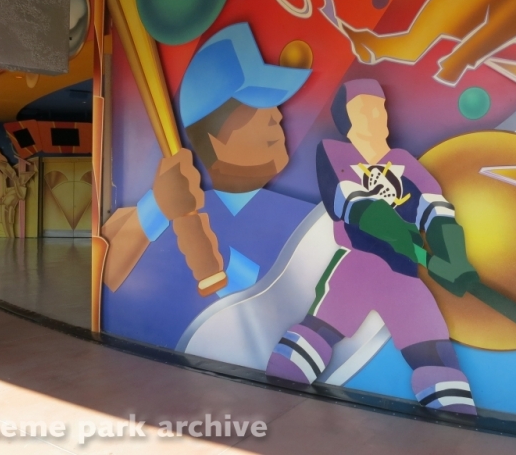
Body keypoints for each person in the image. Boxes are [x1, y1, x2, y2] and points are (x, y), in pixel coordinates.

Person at [266, 78, 480, 415]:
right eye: (363, 109)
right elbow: (353, 202)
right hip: (357, 268)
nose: (376, 115)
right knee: (315, 336)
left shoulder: (405, 162)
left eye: (378, 107)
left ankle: (455, 420)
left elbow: (437, 210)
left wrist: (453, 259)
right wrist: (399, 235)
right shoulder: (336, 153)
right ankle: (271, 399)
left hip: (404, 277)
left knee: (434, 353)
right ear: (347, 120)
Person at [101, 22, 315, 348]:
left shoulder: (306, 218)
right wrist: (158, 204)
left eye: (273, 105)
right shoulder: (157, 217)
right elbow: (104, 273)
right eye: (256, 108)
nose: (277, 117)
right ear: (215, 140)